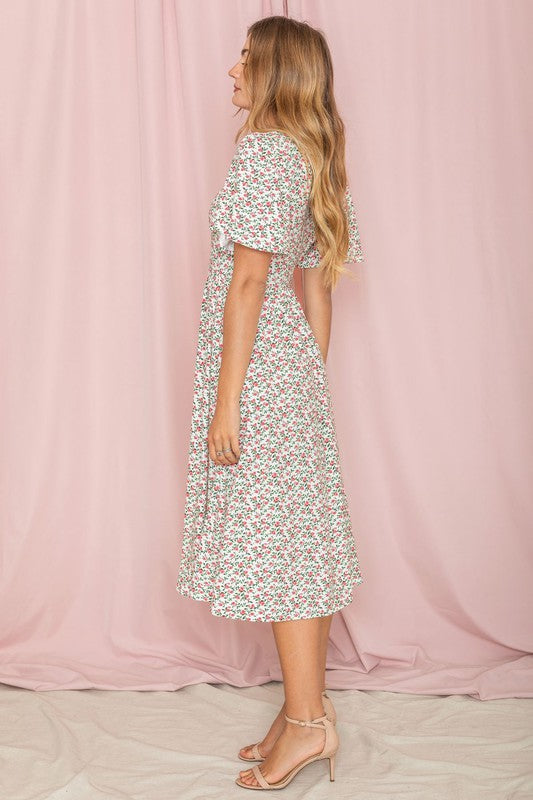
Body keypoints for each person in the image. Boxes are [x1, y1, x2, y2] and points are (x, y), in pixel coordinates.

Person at [175, 15, 365, 790]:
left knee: (288, 559)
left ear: (276, 72)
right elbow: (317, 284)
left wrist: (231, 404)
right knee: (303, 550)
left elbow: (251, 281)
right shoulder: (314, 156)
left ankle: (308, 725)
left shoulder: (261, 153)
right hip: (293, 375)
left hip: (256, 374)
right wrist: (305, 380)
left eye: (245, 60)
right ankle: (302, 716)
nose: (232, 72)